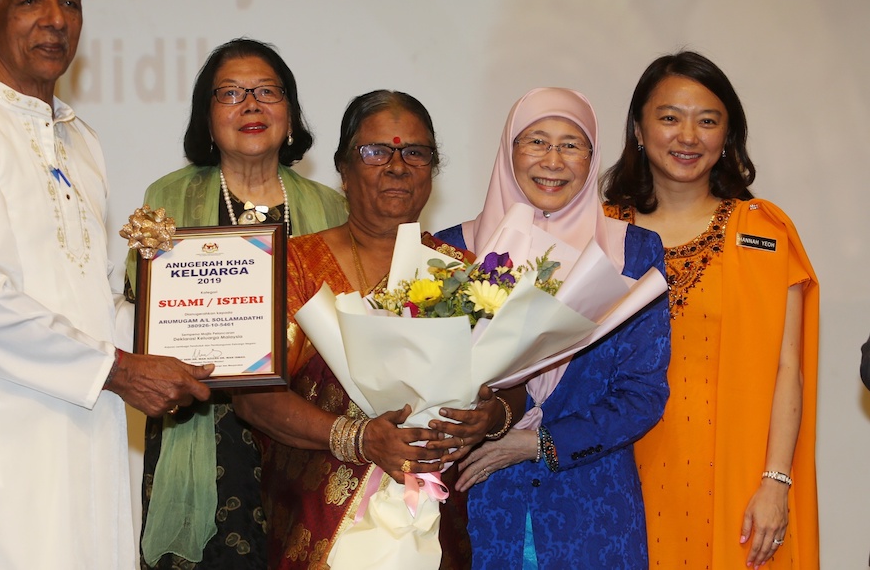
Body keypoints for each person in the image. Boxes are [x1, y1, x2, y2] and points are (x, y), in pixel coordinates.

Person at [0, 0, 214, 569]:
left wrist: (194, 332)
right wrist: (120, 370)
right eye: (30, 1)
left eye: (70, 2)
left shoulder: (81, 142)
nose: (56, 19)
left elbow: (98, 299)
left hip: (87, 440)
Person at [234, 90, 505, 569]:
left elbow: (510, 386)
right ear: (343, 169)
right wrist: (357, 438)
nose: (397, 167)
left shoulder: (463, 273)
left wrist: (492, 416)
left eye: (415, 153)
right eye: (376, 151)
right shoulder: (293, 265)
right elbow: (253, 396)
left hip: (433, 526)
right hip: (320, 524)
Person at [128, 38, 348, 570]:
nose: (251, 105)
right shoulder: (168, 199)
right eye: (230, 93)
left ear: (290, 114)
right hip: (205, 427)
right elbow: (142, 303)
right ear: (206, 118)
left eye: (267, 91)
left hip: (305, 428)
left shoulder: (331, 207)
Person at [434, 87, 670, 568]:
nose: (553, 160)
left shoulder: (633, 252)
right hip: (478, 507)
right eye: (536, 141)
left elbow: (642, 394)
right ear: (509, 150)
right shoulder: (449, 250)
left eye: (571, 145)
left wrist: (539, 443)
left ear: (592, 158)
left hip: (593, 511)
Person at [602, 50, 819, 568]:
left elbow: (788, 369)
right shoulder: (597, 232)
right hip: (614, 472)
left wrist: (776, 482)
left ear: (728, 136)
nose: (688, 136)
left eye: (707, 121)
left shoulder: (764, 231)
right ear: (638, 129)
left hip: (735, 481)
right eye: (669, 117)